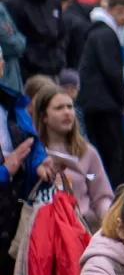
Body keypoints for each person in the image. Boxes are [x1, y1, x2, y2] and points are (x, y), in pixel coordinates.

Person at [74, 0, 124, 187]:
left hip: (97, 102)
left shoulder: (101, 32)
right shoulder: (106, 34)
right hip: (104, 104)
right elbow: (113, 71)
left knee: (107, 152)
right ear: (110, 10)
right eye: (120, 12)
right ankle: (113, 193)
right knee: (118, 153)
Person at [23, 77, 111, 224]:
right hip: (42, 228)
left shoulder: (87, 152)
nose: (67, 113)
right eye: (59, 108)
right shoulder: (31, 151)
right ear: (44, 116)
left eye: (70, 107)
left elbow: (101, 197)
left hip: (80, 226)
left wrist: (108, 217)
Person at [5, 0, 67, 82]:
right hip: (27, 76)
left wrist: (60, 58)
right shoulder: (13, 3)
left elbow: (62, 34)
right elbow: (12, 41)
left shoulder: (54, 0)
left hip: (54, 72)